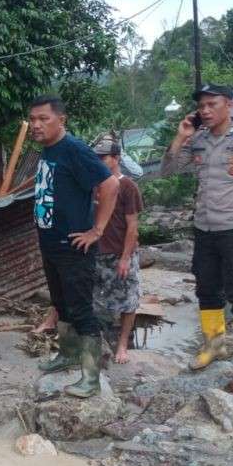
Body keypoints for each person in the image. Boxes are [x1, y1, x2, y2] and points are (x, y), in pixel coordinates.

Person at [160, 83, 233, 373]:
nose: (206, 111)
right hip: (204, 229)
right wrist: (181, 136)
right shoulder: (197, 140)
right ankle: (214, 345)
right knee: (207, 288)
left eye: (212, 104)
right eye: (201, 106)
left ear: (229, 105)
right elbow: (168, 170)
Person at [30, 95, 120, 397]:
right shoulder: (49, 151)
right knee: (61, 303)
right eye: (33, 119)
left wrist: (97, 230)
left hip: (74, 247)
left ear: (61, 120)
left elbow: (110, 185)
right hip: (51, 244)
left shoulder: (74, 150)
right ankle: (67, 354)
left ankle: (91, 378)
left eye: (44, 118)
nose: (37, 125)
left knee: (81, 310)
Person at [91, 133, 143, 364]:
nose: (98, 161)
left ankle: (123, 344)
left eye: (103, 158)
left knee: (128, 300)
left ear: (115, 158)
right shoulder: (93, 185)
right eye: (97, 158)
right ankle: (98, 342)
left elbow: (133, 226)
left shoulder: (127, 186)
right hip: (96, 252)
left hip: (120, 253)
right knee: (94, 299)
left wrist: (125, 257)